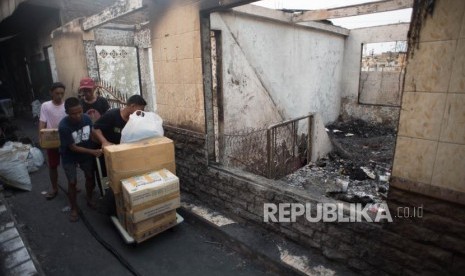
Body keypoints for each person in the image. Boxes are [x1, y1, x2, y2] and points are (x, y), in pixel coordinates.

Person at [58, 97, 102, 222]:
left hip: (86, 153)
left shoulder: (87, 118)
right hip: (69, 156)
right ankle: (73, 208)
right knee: (72, 183)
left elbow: (92, 132)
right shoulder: (63, 127)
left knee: (89, 177)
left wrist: (103, 142)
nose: (77, 116)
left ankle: (89, 198)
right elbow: (72, 147)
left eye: (79, 112)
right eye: (73, 113)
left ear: (82, 109)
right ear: (67, 112)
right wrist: (93, 152)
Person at [39, 82, 66, 200]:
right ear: (51, 93)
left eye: (62, 93)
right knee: (53, 166)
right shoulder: (45, 106)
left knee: (69, 164)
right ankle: (54, 188)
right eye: (57, 93)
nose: (59, 96)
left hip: (65, 139)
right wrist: (41, 137)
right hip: (51, 140)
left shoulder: (66, 106)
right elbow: (42, 122)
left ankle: (72, 185)